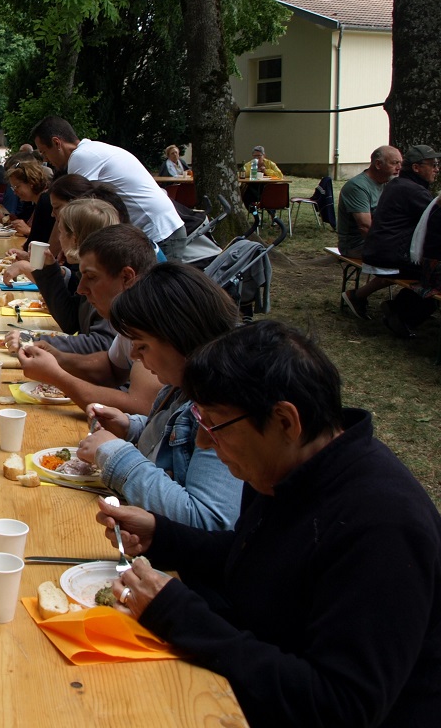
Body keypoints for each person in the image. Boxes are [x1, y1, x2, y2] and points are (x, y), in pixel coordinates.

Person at [96, 320, 441, 727]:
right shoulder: (289, 465)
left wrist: (180, 615)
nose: (205, 444)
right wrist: (164, 535)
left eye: (215, 426)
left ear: (284, 421)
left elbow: (340, 706)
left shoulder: (382, 526)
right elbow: (260, 558)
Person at [75, 264, 242, 530]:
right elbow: (175, 445)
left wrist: (115, 454)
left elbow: (209, 521)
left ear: (180, 335)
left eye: (142, 346)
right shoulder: (177, 387)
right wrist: (131, 428)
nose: (134, 356)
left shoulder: (224, 406)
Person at [16, 224, 163, 416]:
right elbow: (111, 368)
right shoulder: (130, 314)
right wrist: (58, 358)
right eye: (81, 276)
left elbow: (140, 407)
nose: (80, 289)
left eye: (91, 277)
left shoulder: (155, 318)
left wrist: (57, 376)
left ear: (127, 276)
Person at [32, 116, 186, 262]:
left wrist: (46, 258)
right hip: (156, 228)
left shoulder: (81, 157)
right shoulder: (91, 149)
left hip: (160, 232)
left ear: (57, 142)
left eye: (44, 152)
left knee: (155, 289)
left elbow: (71, 212)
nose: (45, 159)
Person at [3, 198, 119, 354]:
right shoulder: (92, 272)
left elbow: (102, 344)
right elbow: (70, 322)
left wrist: (32, 341)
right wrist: (49, 270)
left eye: (61, 232)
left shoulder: (109, 280)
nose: (58, 238)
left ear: (75, 239)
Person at [362, 144, 441, 338]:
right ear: (416, 168)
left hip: (379, 250)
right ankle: (402, 315)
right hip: (390, 254)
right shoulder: (414, 191)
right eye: (432, 165)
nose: (437, 169)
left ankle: (396, 308)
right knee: (433, 279)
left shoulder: (398, 184)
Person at [338, 145, 403, 318]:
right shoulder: (357, 187)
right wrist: (391, 248)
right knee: (404, 261)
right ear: (378, 164)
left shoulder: (388, 184)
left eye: (400, 163)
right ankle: (357, 296)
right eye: (394, 163)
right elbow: (365, 227)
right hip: (356, 244)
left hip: (380, 239)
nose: (399, 168)